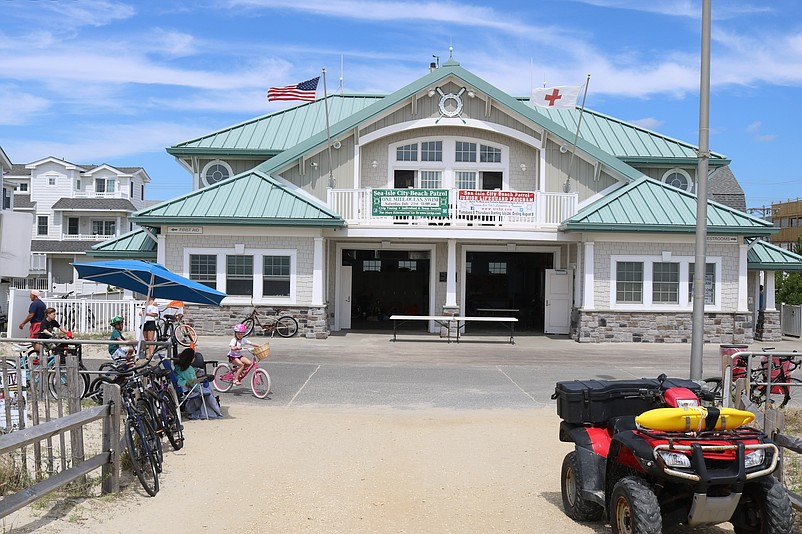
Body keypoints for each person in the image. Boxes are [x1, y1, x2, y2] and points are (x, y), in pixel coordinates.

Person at [174, 347, 222, 419]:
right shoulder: (189, 369)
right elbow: (193, 384)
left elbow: (184, 377)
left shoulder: (177, 367)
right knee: (208, 388)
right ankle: (213, 410)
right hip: (189, 389)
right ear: (191, 359)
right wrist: (199, 379)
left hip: (181, 387)